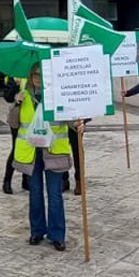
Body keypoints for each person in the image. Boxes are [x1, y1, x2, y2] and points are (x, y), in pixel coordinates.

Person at [12, 63, 84, 251]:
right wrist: (16, 103)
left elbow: (70, 121)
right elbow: (12, 122)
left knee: (54, 194)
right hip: (31, 152)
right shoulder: (24, 95)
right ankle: (37, 231)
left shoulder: (56, 95)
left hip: (53, 152)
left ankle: (57, 235)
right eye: (35, 74)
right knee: (35, 193)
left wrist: (78, 123)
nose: (38, 78)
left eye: (41, 74)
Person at [2, 76, 26, 194]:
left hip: (33, 119)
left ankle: (26, 179)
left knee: (31, 149)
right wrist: (16, 87)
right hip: (17, 119)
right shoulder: (15, 75)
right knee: (16, 148)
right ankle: (7, 180)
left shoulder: (39, 73)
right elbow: (7, 96)